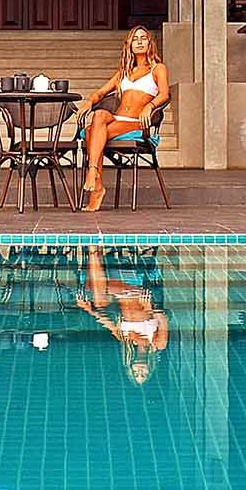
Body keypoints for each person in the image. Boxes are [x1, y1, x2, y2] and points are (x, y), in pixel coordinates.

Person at [72, 26, 169, 213]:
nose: (139, 41)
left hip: (136, 123)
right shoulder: (124, 72)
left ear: (150, 43)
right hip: (117, 118)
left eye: (143, 38)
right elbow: (101, 92)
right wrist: (89, 103)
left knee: (92, 132)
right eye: (135, 39)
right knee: (99, 115)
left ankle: (95, 183)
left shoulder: (158, 68)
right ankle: (94, 174)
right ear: (129, 45)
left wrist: (150, 106)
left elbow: (164, 94)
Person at [74, 245, 168, 384]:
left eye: (136, 373)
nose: (140, 371)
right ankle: (93, 249)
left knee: (97, 301)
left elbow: (106, 321)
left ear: (130, 367)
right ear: (150, 369)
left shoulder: (125, 341)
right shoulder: (158, 344)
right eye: (144, 374)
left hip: (119, 291)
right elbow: (164, 318)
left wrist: (88, 309)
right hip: (140, 291)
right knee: (98, 296)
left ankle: (94, 249)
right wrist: (149, 309)